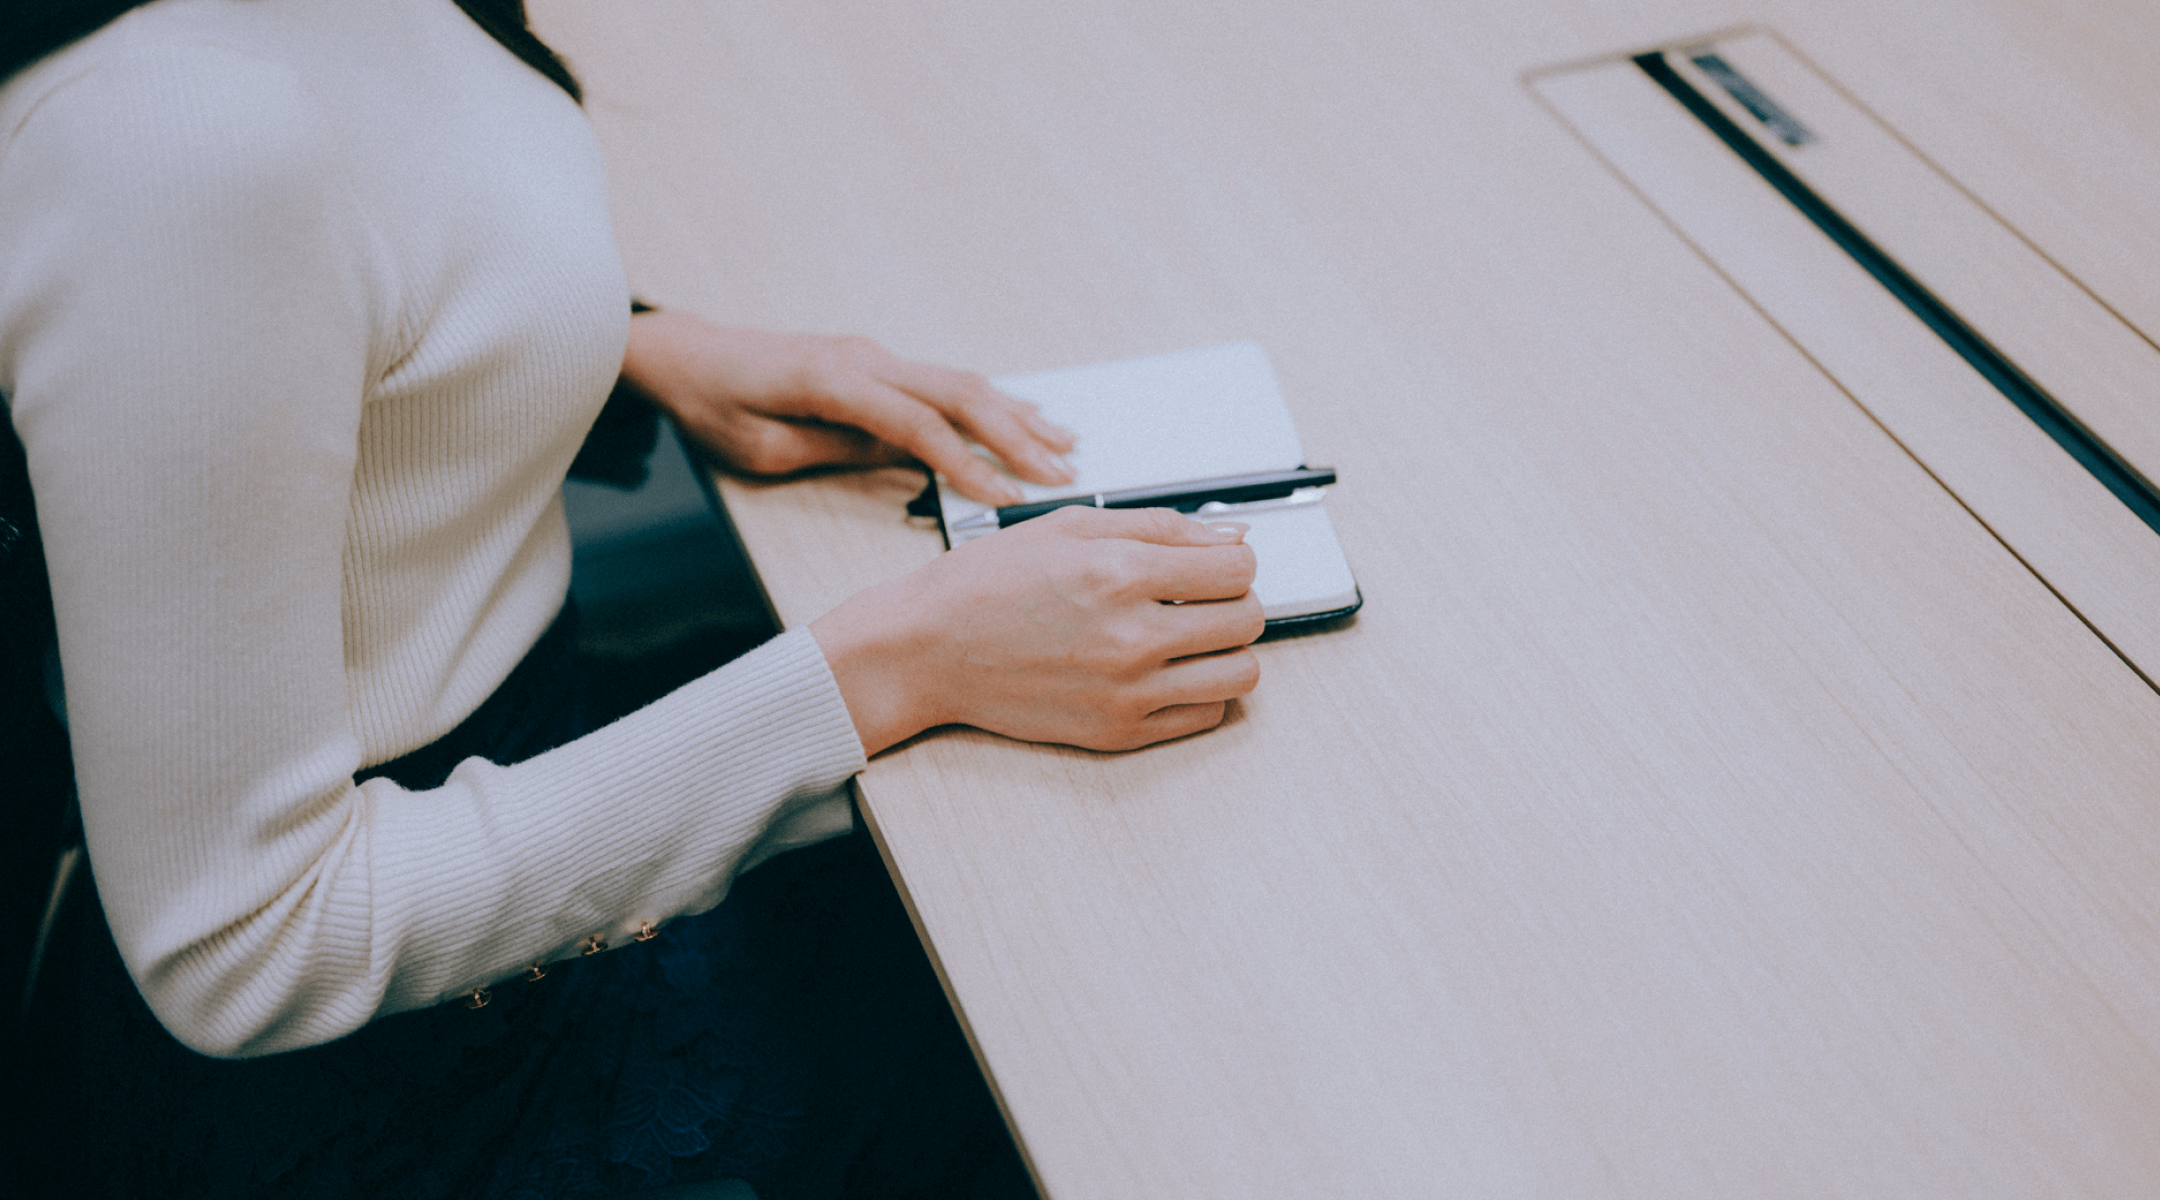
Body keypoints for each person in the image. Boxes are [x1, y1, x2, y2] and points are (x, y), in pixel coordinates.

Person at [0, 0, 1264, 1195]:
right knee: (1093, 1030)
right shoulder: (161, 145)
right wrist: (896, 667)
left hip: (525, 765)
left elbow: (372, 202)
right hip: (384, 1071)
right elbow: (245, 947)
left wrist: (632, 346)